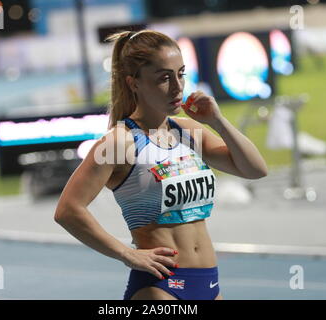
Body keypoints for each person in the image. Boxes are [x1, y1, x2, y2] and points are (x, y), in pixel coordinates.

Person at [54, 29, 268, 300]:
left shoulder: (188, 131)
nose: (178, 87)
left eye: (181, 74)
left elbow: (255, 169)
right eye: (164, 78)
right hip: (160, 287)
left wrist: (217, 122)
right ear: (134, 83)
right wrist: (126, 254)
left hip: (209, 284)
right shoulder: (120, 142)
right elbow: (67, 210)